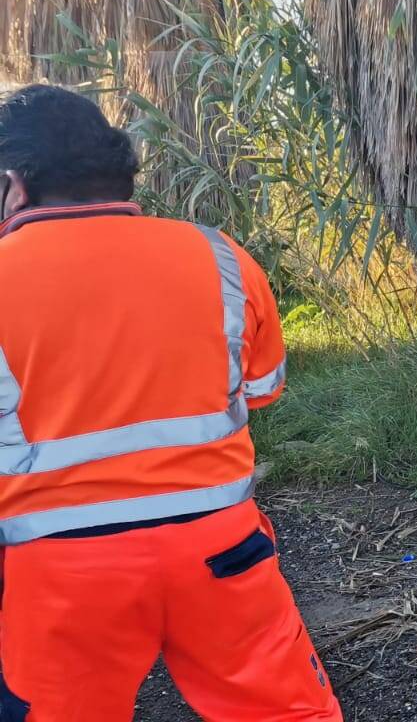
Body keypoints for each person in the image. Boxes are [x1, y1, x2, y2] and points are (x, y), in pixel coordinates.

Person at [0, 85, 341, 720]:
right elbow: (262, 388)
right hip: (221, 551)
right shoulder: (220, 256)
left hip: (61, 573)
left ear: (15, 184)